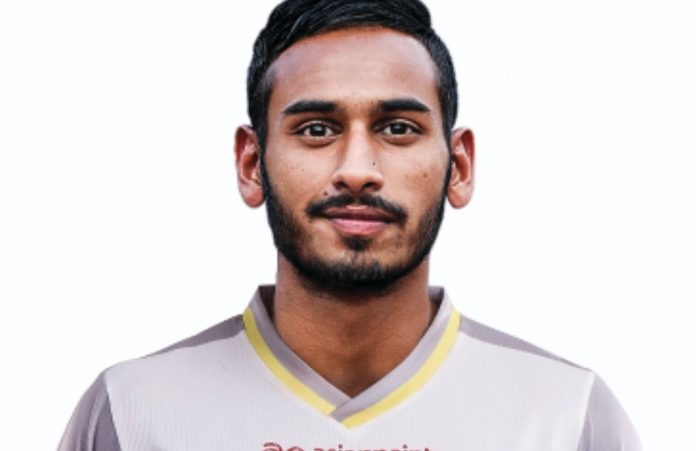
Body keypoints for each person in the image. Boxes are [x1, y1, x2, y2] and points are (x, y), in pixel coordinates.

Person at [57, 0, 641, 450]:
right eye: (317, 129)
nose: (357, 170)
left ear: (459, 167)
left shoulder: (567, 416)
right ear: (251, 164)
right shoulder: (132, 413)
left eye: (398, 129)